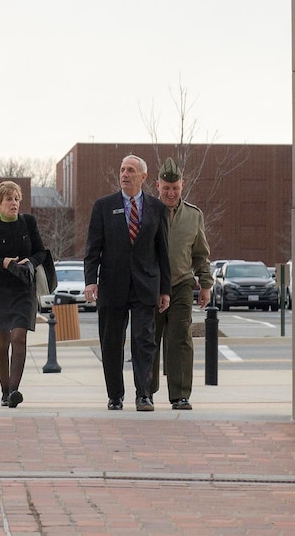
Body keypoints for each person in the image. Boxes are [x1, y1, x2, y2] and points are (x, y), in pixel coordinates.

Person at [83, 154, 171, 412]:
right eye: (122, 169)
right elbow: (93, 248)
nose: (125, 174)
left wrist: (165, 288)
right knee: (111, 342)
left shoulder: (157, 208)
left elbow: (163, 251)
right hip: (112, 284)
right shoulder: (103, 206)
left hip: (146, 285)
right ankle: (115, 395)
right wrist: (91, 281)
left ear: (143, 177)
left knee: (144, 341)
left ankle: (144, 395)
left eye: (131, 170)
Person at [149, 157, 214, 410]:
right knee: (149, 339)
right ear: (157, 186)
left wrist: (205, 284)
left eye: (175, 188)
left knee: (181, 340)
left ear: (182, 186)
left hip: (182, 285)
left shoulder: (194, 216)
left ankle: (180, 395)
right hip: (152, 286)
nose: (171, 193)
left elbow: (201, 254)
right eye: (166, 188)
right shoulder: (147, 212)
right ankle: (146, 392)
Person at [0, 181, 47, 408]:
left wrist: (29, 261)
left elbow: (41, 252)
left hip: (24, 289)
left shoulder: (28, 222)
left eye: (16, 199)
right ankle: (4, 390)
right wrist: (3, 262)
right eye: (9, 199)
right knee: (1, 341)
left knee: (18, 337)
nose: (14, 203)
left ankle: (14, 391)